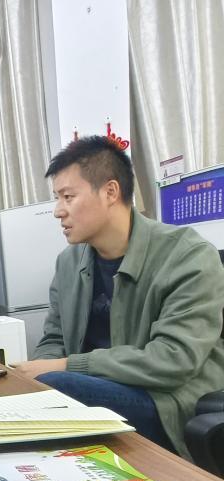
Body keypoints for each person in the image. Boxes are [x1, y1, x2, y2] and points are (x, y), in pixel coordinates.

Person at [15, 136, 224, 457]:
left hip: (165, 399)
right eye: (57, 198)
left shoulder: (188, 256)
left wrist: (66, 366)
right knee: (18, 388)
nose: (58, 211)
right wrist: (38, 371)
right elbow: (54, 339)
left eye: (68, 197)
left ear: (110, 192)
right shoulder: (68, 262)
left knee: (59, 385)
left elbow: (174, 360)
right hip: (95, 386)